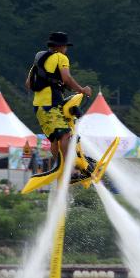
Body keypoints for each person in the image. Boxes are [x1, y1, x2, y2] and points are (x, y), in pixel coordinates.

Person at [25, 31, 92, 172]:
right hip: (51, 105)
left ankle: (61, 169)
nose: (66, 49)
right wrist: (82, 90)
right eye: (66, 46)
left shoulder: (39, 59)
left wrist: (53, 82)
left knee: (55, 140)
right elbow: (67, 78)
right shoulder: (61, 57)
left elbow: (28, 84)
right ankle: (68, 169)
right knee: (66, 134)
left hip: (38, 107)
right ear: (61, 46)